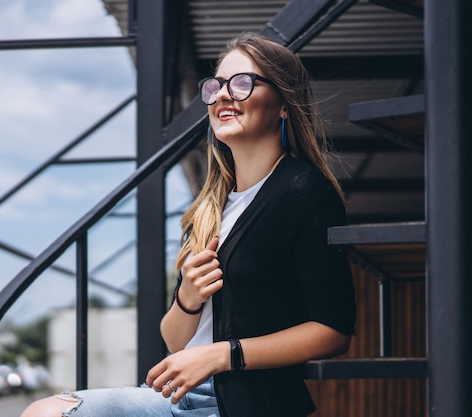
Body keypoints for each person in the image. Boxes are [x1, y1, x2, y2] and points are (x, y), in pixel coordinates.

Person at [20, 31, 356, 417]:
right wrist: (189, 297)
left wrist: (222, 355)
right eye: (215, 87)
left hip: (239, 401)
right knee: (45, 411)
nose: (223, 96)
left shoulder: (303, 191)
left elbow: (332, 330)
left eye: (243, 83)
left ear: (283, 103)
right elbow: (176, 340)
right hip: (179, 394)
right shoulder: (210, 208)